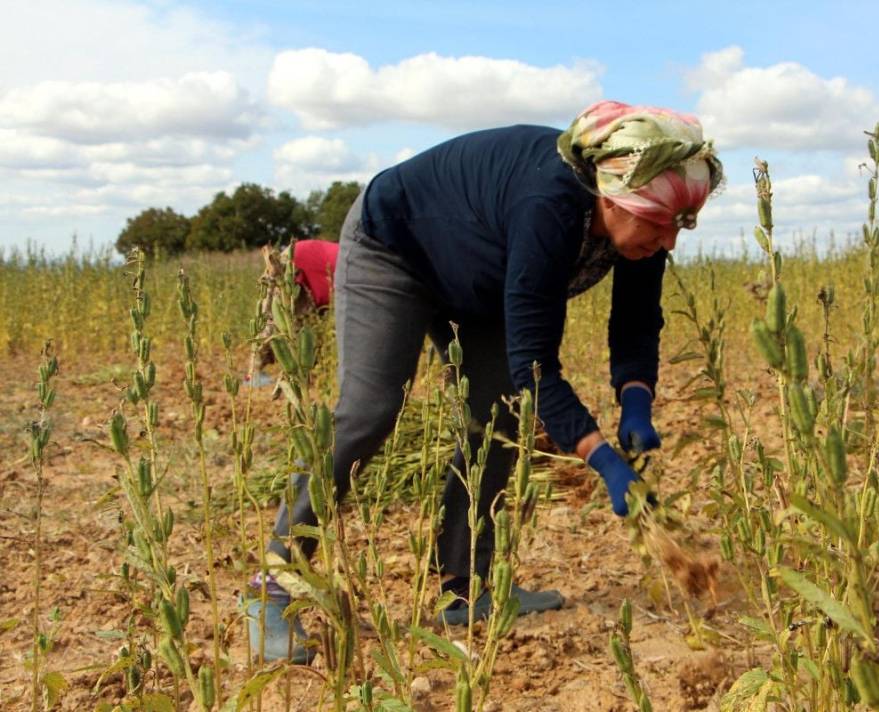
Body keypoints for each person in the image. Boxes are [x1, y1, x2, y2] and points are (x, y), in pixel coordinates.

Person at [246, 100, 724, 662]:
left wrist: (636, 404)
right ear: (615, 195)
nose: (669, 242)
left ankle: (465, 589)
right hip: (396, 249)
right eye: (661, 224)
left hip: (479, 277)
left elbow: (637, 323)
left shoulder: (646, 220)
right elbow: (536, 366)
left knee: (497, 418)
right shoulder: (548, 206)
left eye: (680, 227)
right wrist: (603, 459)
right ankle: (274, 587)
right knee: (369, 413)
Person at [246, 239, 340, 387]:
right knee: (273, 318)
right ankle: (253, 374)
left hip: (316, 263)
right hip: (299, 261)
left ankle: (308, 374)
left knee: (311, 330)